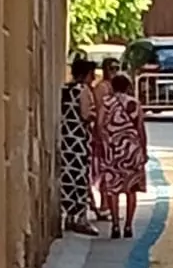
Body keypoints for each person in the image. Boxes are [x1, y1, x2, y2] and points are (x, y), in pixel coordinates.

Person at [97, 74, 148, 239]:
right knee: (131, 190)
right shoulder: (134, 103)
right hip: (132, 150)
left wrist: (103, 143)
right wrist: (144, 150)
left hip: (113, 149)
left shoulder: (106, 103)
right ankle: (128, 226)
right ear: (127, 86)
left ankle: (115, 225)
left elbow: (99, 125)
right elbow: (140, 128)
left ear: (112, 87)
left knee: (113, 189)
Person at [59, 58, 99, 235]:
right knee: (80, 176)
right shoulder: (82, 90)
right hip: (78, 138)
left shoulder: (66, 89)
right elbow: (85, 114)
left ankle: (68, 216)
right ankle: (80, 218)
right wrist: (94, 114)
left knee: (68, 176)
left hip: (66, 136)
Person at [90, 58, 122, 222]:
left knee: (112, 171)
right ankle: (104, 205)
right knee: (104, 170)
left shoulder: (114, 87)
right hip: (103, 135)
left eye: (118, 68)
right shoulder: (102, 88)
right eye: (112, 68)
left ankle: (107, 205)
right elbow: (99, 112)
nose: (115, 71)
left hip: (114, 134)